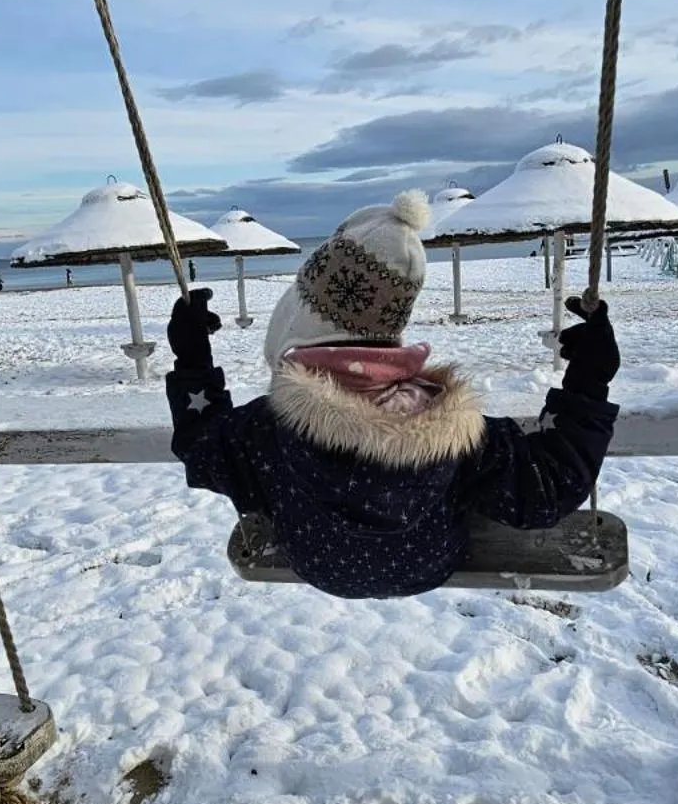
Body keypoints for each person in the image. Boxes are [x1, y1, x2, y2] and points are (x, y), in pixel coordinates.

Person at [165, 191, 618, 598]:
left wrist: (192, 360)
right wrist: (589, 382)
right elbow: (548, 487)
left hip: (316, 564)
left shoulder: (268, 429)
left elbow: (201, 448)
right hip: (429, 567)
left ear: (299, 318)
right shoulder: (458, 435)